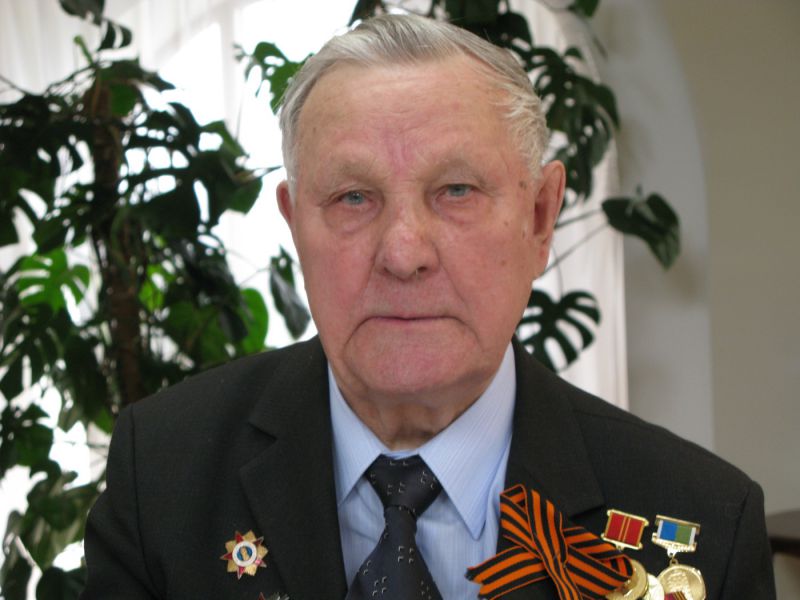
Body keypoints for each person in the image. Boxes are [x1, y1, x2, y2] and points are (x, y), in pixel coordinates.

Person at [81, 14, 775, 600]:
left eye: (456, 192)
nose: (403, 252)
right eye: (354, 197)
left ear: (540, 218)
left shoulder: (703, 524)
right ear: (295, 226)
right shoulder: (162, 475)